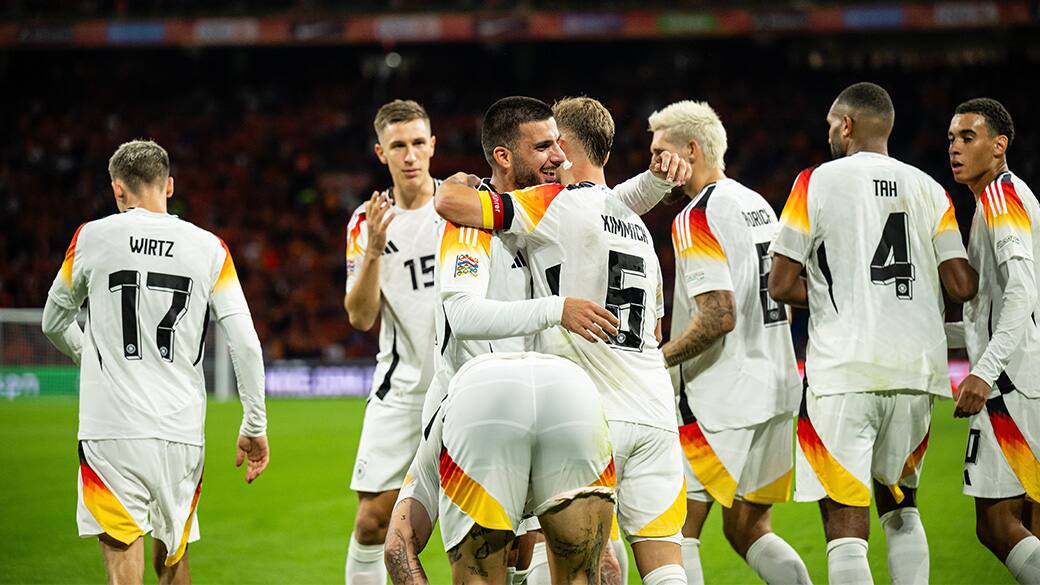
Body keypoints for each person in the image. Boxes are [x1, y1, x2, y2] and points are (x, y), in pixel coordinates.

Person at [386, 96, 688, 585]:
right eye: (544, 147)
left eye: (558, 145)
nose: (558, 157)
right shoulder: (476, 225)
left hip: (551, 407)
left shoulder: (550, 213)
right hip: (476, 406)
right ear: (505, 156)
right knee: (572, 562)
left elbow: (603, 199)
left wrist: (657, 182)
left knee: (591, 563)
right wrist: (558, 308)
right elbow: (461, 312)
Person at [768, 82, 978, 585]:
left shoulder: (814, 182)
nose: (828, 135)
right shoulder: (930, 189)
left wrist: (842, 293)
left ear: (846, 125)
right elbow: (960, 284)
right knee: (902, 509)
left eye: (830, 125)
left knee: (845, 526)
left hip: (844, 372)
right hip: (916, 374)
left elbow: (780, 283)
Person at [41, 139, 269, 584]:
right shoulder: (210, 248)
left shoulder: (91, 237)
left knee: (121, 562)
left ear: (118, 190)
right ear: (169, 186)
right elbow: (245, 343)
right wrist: (254, 424)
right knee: (173, 559)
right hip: (181, 431)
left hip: (112, 430)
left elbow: (54, 320)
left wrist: (89, 355)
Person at [650, 100, 810, 585]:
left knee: (673, 534)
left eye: (659, 152)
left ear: (691, 150)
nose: (652, 165)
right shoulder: (756, 203)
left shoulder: (696, 215)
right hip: (777, 389)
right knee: (747, 527)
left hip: (720, 399)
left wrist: (658, 361)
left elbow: (718, 315)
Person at [342, 100, 444, 584]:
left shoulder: (460, 207)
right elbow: (361, 317)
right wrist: (374, 252)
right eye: (398, 145)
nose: (410, 155)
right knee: (371, 522)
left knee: (502, 528)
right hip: (401, 391)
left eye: (418, 143)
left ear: (433, 146)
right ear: (381, 152)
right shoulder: (367, 221)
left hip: (465, 383)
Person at [946, 97, 1040, 583]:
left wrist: (982, 372)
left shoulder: (1001, 198)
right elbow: (992, 311)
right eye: (951, 139)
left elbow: (1022, 291)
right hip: (1026, 375)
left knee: (996, 524)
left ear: (999, 145)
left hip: (1011, 384)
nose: (955, 148)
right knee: (1030, 522)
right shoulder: (1000, 199)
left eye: (968, 137)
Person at [438, 352, 616, 584]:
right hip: (571, 386)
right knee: (579, 577)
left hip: (481, 392)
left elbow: (399, 543)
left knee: (478, 577)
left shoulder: (440, 413)